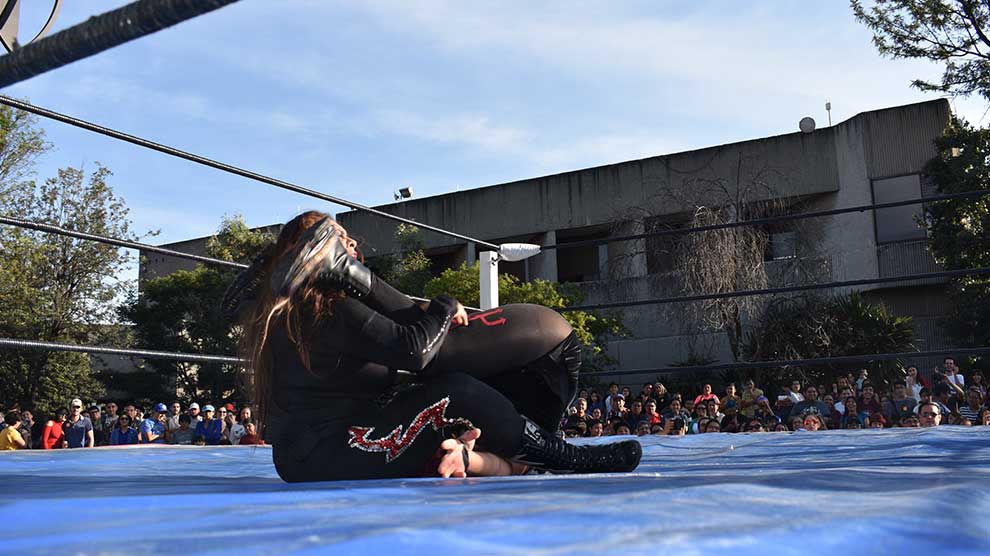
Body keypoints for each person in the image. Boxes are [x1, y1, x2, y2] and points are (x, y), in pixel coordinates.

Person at [225, 212, 641, 481]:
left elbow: (401, 335)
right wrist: (442, 305)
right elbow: (415, 351)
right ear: (311, 256)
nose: (351, 245)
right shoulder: (326, 310)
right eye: (337, 240)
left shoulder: (288, 315)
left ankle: (486, 460)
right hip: (329, 452)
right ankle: (563, 458)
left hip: (320, 451)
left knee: (442, 398)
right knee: (454, 389)